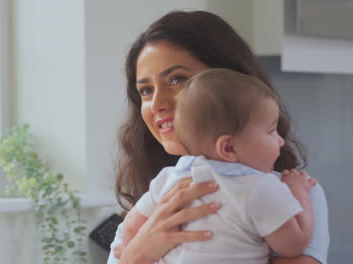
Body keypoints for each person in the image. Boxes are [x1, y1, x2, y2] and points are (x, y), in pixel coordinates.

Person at [109, 10, 329, 264]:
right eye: (146, 90)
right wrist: (139, 252)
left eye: (177, 79)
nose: (156, 103)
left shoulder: (293, 193)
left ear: (230, 82)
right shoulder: (156, 192)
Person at [118, 68, 315, 264]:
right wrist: (298, 190)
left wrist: (131, 252)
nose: (280, 141)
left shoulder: (168, 178)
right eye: (271, 131)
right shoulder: (261, 186)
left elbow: (130, 228)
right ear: (228, 147)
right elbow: (293, 245)